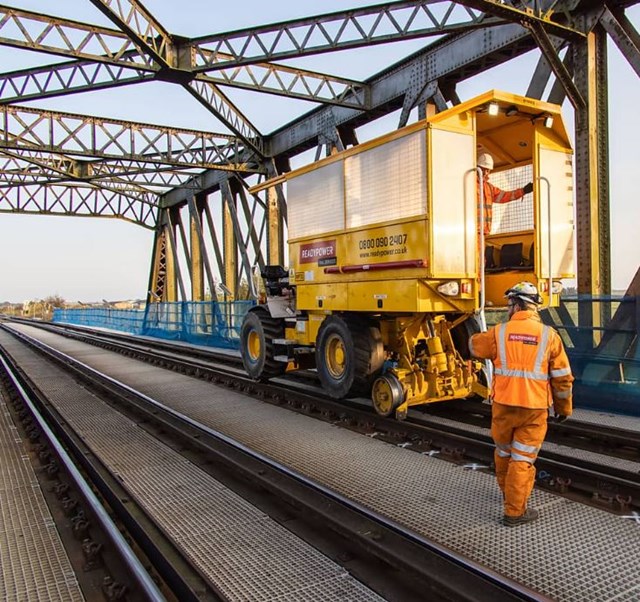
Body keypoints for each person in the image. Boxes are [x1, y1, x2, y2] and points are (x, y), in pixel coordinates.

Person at [468, 281, 573, 526]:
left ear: (516, 305)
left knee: (504, 452)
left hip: (503, 405)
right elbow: (563, 378)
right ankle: (514, 511)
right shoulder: (550, 336)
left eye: (509, 305)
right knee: (523, 459)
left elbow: (474, 347)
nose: (507, 309)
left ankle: (509, 496)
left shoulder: (499, 332)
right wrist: (563, 408)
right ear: (534, 306)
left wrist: (469, 321)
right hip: (534, 409)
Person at [477, 153, 533, 235]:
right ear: (478, 168)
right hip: (473, 231)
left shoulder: (489, 188)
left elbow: (505, 196)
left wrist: (523, 191)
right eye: (483, 169)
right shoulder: (471, 185)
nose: (485, 173)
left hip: (484, 232)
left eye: (488, 170)